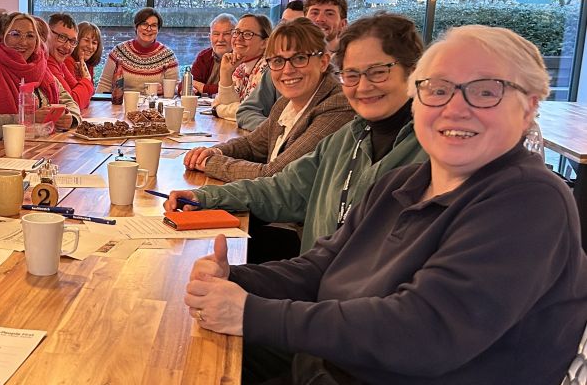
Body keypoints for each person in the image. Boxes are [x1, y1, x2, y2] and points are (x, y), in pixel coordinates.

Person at [186, 25, 587, 385]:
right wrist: (233, 279)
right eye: (439, 88)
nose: (455, 108)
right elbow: (320, 267)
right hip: (328, 382)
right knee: (173, 372)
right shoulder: (402, 182)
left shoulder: (528, 201)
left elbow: (422, 333)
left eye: (485, 91)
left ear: (530, 106)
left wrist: (250, 313)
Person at [166, 13, 428, 263]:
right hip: (314, 276)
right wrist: (205, 196)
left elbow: (274, 174)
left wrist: (209, 164)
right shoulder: (347, 137)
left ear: (414, 71)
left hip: (325, 283)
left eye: (378, 71)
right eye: (352, 74)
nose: (363, 86)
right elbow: (283, 187)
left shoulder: (432, 153)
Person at [182, 18, 354, 182]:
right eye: (278, 60)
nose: (287, 70)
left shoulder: (337, 106)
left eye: (300, 58)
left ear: (323, 62)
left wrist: (210, 163)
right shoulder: (287, 102)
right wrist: (214, 151)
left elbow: (274, 174)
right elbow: (251, 144)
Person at [0, 11, 81, 154]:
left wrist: (71, 119)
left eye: (30, 36)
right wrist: (27, 119)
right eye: (15, 34)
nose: (23, 42)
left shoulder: (41, 69)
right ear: (2, 37)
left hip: (27, 148)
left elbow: (70, 103)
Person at [236, 0, 348, 131]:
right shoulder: (279, 67)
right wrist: (278, 132)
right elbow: (247, 111)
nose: (320, 19)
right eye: (314, 12)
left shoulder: (351, 67)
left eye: (329, 13)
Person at [96, 7, 179, 95]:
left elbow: (177, 87)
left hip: (155, 106)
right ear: (136, 26)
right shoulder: (118, 52)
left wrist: (166, 90)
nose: (148, 29)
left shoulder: (167, 56)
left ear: (158, 29)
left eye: (154, 25)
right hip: (123, 106)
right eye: (144, 24)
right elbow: (105, 84)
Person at [211, 14, 272, 120]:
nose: (238, 38)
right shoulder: (241, 66)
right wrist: (225, 72)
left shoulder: (268, 68)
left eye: (248, 34)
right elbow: (223, 102)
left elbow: (249, 112)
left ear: (264, 43)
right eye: (236, 32)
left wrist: (218, 110)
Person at [45, 13, 95, 109]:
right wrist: (86, 79)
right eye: (62, 37)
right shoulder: (46, 62)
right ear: (47, 34)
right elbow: (73, 103)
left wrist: (83, 81)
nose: (67, 47)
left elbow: (84, 100)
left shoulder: (60, 63)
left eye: (72, 41)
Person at [189, 13, 237, 96]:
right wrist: (189, 88)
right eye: (216, 34)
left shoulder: (241, 59)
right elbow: (187, 83)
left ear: (236, 36)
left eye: (226, 34)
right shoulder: (204, 56)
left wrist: (204, 88)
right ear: (210, 37)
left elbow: (236, 89)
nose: (220, 39)